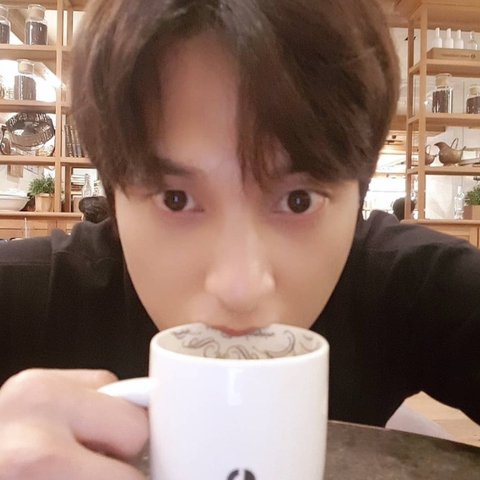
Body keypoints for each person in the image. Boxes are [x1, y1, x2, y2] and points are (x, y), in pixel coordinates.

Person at [0, 0, 479, 478]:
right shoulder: (30, 296)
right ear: (114, 198)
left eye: (298, 201)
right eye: (174, 199)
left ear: (359, 195)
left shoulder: (415, 285)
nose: (239, 288)